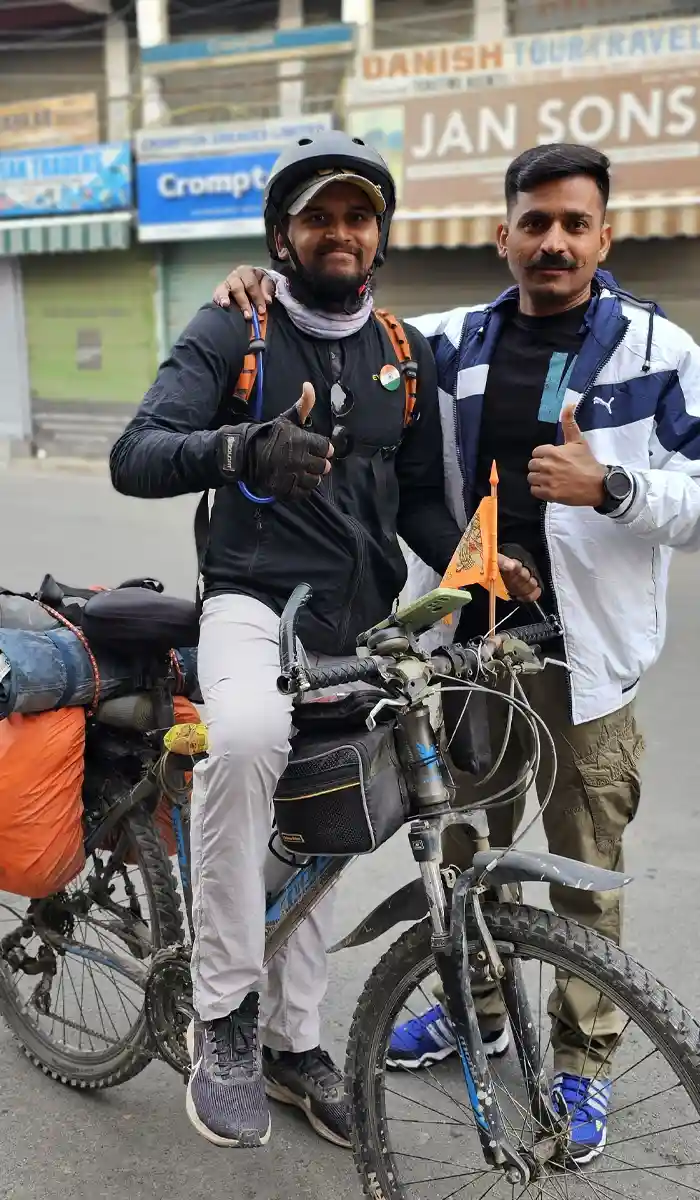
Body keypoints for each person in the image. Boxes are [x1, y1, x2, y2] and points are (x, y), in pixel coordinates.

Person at [211, 141, 700, 1164]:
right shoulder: (451, 341)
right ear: (503, 235)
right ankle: (475, 1013)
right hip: (469, 651)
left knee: (582, 871)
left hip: (586, 662)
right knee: (470, 852)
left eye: (574, 224)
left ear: (604, 235)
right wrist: (254, 290)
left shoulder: (661, 352)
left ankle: (579, 1061)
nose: (553, 242)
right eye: (534, 223)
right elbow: (335, 313)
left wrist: (612, 490)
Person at [109, 130, 536, 1152]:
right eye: (317, 217)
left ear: (378, 234)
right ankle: (223, 1014)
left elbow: (424, 503)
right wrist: (239, 445)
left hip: (362, 621)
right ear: (282, 235)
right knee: (248, 741)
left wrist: (483, 579)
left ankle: (296, 1046)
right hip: (254, 606)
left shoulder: (404, 350)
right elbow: (135, 455)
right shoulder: (235, 327)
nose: (339, 233)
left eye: (356, 216)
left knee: (334, 820)